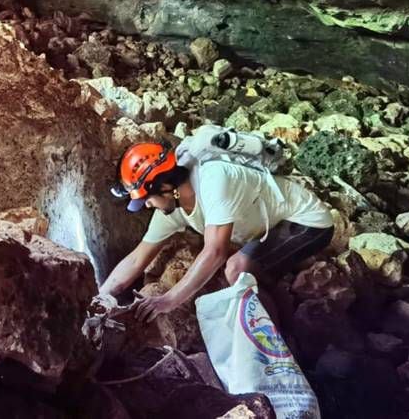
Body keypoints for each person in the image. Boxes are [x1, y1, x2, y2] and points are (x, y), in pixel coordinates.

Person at [100, 137, 334, 322]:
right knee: (240, 271)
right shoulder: (173, 204)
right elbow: (136, 260)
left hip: (308, 222)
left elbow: (215, 252)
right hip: (270, 226)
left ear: (165, 185)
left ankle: (274, 345)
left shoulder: (213, 179)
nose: (148, 206)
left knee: (237, 269)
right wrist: (100, 297)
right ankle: (277, 301)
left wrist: (168, 301)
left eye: (147, 199)